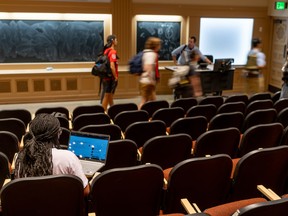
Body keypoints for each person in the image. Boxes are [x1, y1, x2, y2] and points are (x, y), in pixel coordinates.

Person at [14, 113, 90, 196]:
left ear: (32, 134)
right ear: (57, 134)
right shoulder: (68, 157)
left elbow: (19, 190)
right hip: (63, 207)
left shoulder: (21, 158)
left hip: (33, 208)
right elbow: (85, 191)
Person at [138, 37, 161, 109]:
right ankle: (138, 116)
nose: (160, 46)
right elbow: (148, 68)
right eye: (159, 45)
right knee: (144, 101)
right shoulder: (152, 54)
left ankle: (150, 117)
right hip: (148, 82)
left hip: (143, 80)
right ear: (155, 45)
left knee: (151, 101)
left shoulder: (145, 52)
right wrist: (152, 81)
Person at [101, 34, 119, 111]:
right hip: (110, 78)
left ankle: (113, 111)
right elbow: (112, 66)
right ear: (113, 41)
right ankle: (102, 113)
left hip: (105, 77)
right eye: (116, 40)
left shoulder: (106, 51)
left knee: (110, 95)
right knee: (107, 96)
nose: (117, 41)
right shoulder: (112, 52)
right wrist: (115, 77)